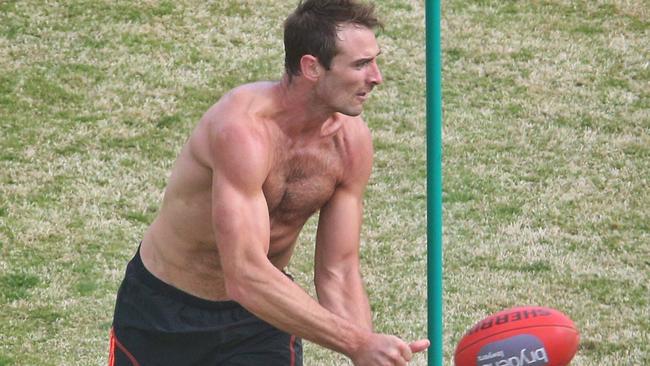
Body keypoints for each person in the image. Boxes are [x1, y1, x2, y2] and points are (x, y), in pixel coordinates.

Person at [108, 0, 429, 365]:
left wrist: (368, 351)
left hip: (262, 319)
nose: (376, 77)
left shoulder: (350, 145)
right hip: (164, 315)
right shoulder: (241, 132)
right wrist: (355, 342)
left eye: (374, 60)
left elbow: (338, 271)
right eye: (360, 64)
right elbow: (243, 274)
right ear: (311, 67)